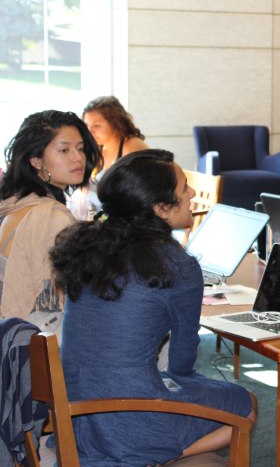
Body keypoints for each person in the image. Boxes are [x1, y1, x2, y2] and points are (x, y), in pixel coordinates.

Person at [51, 149, 256, 466]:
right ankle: (149, 456)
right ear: (161, 208)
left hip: (77, 412)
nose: (190, 194)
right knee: (245, 402)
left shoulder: (88, 248)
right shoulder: (177, 265)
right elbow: (182, 362)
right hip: (130, 417)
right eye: (184, 187)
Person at [0, 110, 100, 333]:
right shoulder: (51, 217)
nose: (77, 158)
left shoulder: (15, 204)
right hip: (40, 343)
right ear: (36, 161)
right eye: (64, 150)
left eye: (80, 148)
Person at [68, 96, 149, 219]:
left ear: (116, 123)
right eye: (87, 125)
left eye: (97, 125)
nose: (90, 131)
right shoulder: (100, 148)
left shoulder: (131, 146)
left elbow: (139, 192)